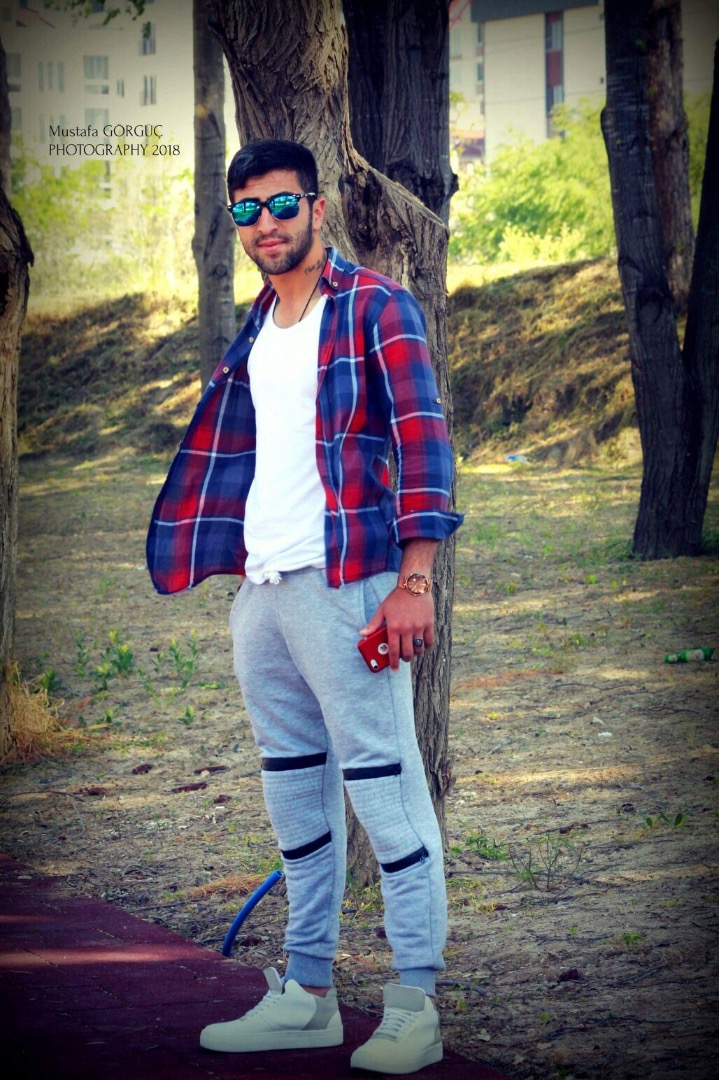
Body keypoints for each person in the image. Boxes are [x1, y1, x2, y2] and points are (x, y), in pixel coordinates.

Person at [146, 138, 462, 1076]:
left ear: (317, 208)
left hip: (348, 585)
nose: (266, 224)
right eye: (247, 211)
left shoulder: (375, 307)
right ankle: (307, 996)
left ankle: (414, 1005)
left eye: (282, 205)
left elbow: (424, 443)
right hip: (265, 593)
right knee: (295, 801)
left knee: (385, 792)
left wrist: (413, 580)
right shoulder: (257, 323)